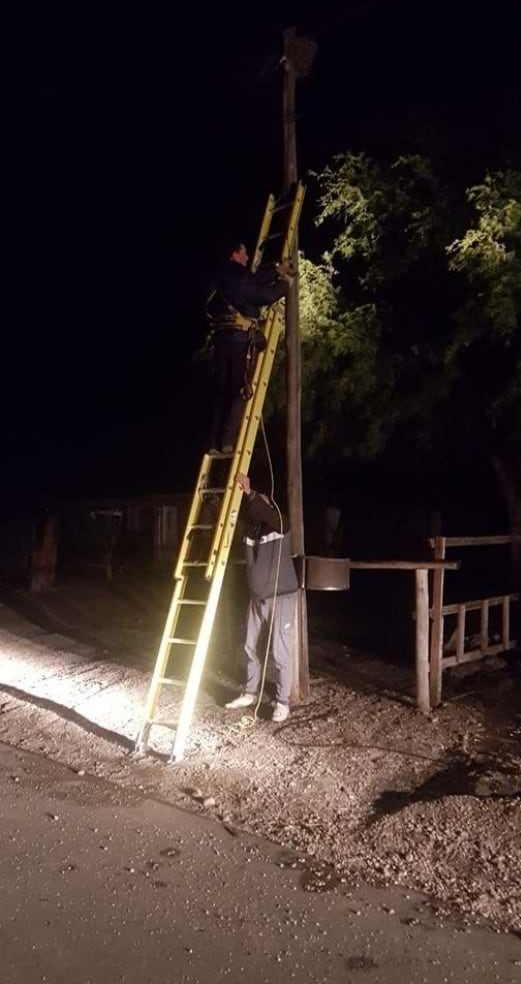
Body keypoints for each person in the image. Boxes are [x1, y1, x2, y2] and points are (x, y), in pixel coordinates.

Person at [205, 240, 294, 454]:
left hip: (221, 341)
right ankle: (227, 441)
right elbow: (263, 294)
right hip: (239, 341)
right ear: (235, 255)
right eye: (244, 254)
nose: (247, 258)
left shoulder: (220, 277)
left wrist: (275, 270)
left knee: (222, 392)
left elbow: (253, 281)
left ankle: (212, 444)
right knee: (239, 390)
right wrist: (285, 284)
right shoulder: (238, 276)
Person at [225, 471, 299, 722]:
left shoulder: (281, 524)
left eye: (264, 501)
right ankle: (249, 692)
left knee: (280, 652)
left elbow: (266, 512)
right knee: (248, 646)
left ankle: (282, 702)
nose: (260, 505)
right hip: (257, 599)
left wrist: (251, 493)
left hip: (282, 597)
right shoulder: (251, 532)